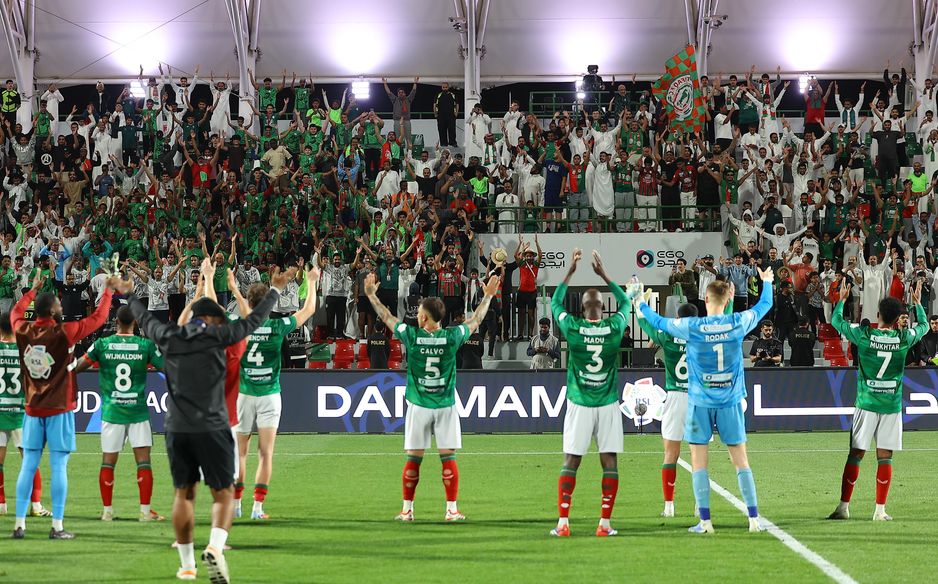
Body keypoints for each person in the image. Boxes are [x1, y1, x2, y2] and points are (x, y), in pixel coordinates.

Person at [121, 258, 289, 582]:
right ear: (214, 321)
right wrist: (275, 291)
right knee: (223, 492)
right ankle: (215, 545)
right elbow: (251, 321)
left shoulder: (172, 338)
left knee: (183, 493)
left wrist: (131, 295)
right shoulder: (226, 340)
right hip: (216, 424)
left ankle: (186, 564)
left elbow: (148, 322)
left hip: (177, 428)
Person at [637, 264, 775, 534]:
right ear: (727, 300)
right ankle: (754, 519)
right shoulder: (738, 322)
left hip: (700, 403)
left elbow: (657, 323)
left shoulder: (694, 327)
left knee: (699, 462)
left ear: (707, 299)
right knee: (741, 461)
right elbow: (765, 304)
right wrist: (767, 281)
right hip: (730, 401)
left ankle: (706, 522)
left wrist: (639, 302)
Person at [363, 269, 499, 521]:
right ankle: (451, 510)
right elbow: (477, 320)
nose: (416, 316)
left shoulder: (412, 336)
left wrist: (372, 295)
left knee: (414, 459)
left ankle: (407, 510)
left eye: (418, 313)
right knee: (448, 458)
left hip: (419, 405)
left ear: (424, 317)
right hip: (445, 405)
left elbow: (386, 316)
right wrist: (488, 295)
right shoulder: (452, 336)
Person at [11, 270, 116, 540]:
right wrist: (109, 292)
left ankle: (19, 525)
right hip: (60, 409)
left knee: (28, 466)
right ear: (53, 310)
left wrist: (31, 290)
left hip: (32, 410)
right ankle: (57, 526)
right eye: (58, 303)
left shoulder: (22, 329)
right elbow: (100, 318)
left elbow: (16, 312)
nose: (61, 305)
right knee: (58, 467)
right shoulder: (65, 331)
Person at [549, 249, 632, 538]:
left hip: (579, 403)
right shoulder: (615, 326)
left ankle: (563, 524)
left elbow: (555, 302)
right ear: (601, 306)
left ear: (583, 308)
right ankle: (604, 524)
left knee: (571, 460)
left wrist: (570, 271)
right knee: (609, 462)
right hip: (607, 404)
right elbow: (626, 301)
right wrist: (605, 275)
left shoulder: (572, 327)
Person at [828, 281, 927, 522]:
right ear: (897, 319)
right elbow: (923, 326)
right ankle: (879, 510)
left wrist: (841, 299)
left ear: (878, 315)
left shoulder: (864, 335)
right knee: (885, 456)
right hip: (891, 406)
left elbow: (836, 322)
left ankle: (843, 507)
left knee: (856, 454)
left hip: (866, 403)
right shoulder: (904, 338)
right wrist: (917, 304)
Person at [235, 267, 319, 521]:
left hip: (244, 395)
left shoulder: (240, 326)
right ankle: (257, 509)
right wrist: (312, 282)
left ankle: (235, 505)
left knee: (239, 453)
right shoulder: (279, 325)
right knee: (265, 453)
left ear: (250, 303)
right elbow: (308, 311)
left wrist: (218, 283)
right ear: (271, 304)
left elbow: (212, 309)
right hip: (270, 395)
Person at [73, 306, 164, 522]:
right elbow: (166, 366)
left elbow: (79, 366)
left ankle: (107, 511)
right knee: (143, 461)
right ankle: (144, 511)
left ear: (116, 323)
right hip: (137, 412)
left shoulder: (102, 344)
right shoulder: (146, 345)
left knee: (108, 461)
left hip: (112, 412)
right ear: (136, 323)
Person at [636, 299, 694, 516]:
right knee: (699, 455)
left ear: (678, 319)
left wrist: (638, 302)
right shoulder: (703, 335)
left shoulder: (668, 336)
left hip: (675, 397)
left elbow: (647, 325)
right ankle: (700, 506)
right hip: (699, 399)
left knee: (670, 454)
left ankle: (669, 506)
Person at [0, 312, 51, 518]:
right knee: (30, 460)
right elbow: (44, 374)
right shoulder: (26, 351)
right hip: (21, 413)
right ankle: (36, 505)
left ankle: (1, 504)